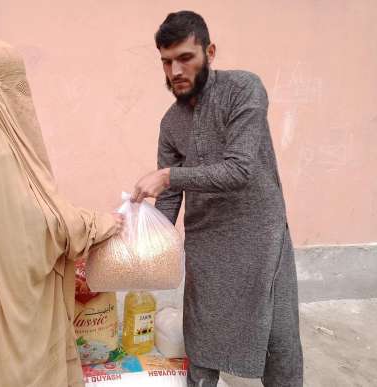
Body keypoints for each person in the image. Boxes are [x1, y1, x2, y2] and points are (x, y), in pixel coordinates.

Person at [131, 11, 303, 387]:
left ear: (209, 51)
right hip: (207, 244)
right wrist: (149, 240)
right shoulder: (170, 122)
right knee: (202, 333)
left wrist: (167, 175)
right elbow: (170, 196)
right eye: (166, 61)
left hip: (259, 238)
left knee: (277, 338)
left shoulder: (244, 89)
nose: (174, 70)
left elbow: (239, 170)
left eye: (185, 58)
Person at [0, 39, 123, 387]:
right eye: (16, 87)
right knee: (17, 364)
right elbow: (36, 229)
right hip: (15, 298)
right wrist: (99, 224)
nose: (22, 98)